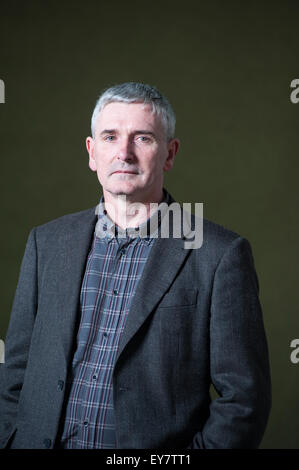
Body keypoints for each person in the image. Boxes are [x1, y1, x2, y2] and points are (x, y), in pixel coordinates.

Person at [0, 82, 271, 449]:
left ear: (170, 154)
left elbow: (244, 400)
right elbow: (15, 369)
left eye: (142, 138)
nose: (123, 153)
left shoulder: (219, 255)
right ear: (92, 152)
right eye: (110, 137)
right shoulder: (47, 243)